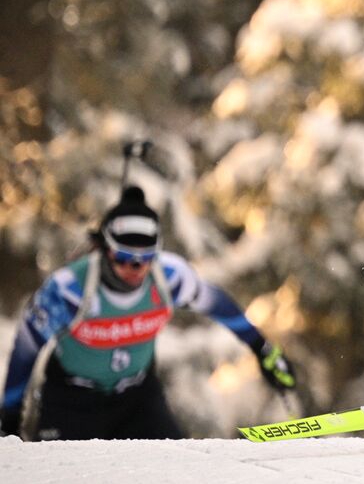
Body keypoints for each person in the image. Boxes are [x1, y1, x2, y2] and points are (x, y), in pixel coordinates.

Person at [1, 185, 296, 440]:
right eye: (125, 258)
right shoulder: (69, 289)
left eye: (145, 259)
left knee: (176, 471)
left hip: (137, 398)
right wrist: (10, 413)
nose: (136, 270)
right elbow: (26, 348)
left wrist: (262, 350)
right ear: (105, 248)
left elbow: (219, 305)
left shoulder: (168, 276)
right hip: (72, 401)